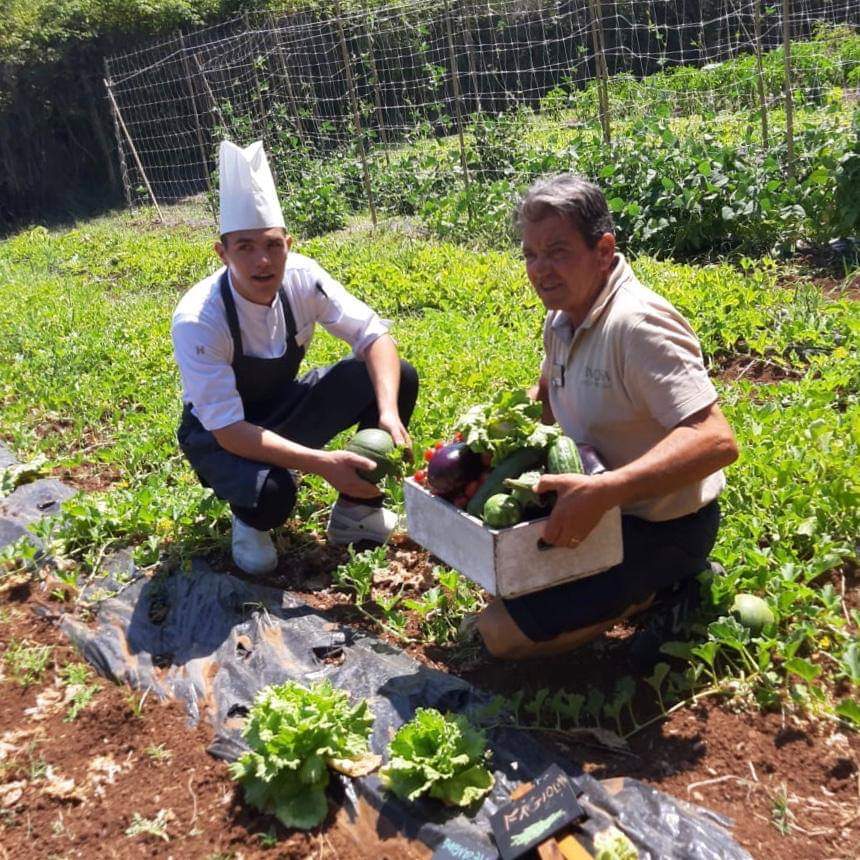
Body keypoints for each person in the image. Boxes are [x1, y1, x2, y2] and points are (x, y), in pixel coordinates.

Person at [475, 174, 738, 662]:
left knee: (499, 632)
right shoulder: (563, 317)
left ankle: (668, 590)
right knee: (497, 579)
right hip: (600, 515)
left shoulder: (638, 325)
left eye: (557, 251)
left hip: (664, 527)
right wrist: (490, 433)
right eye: (530, 255)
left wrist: (607, 490)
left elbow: (715, 440)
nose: (540, 270)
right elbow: (547, 394)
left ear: (603, 249)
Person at [171, 141, 418, 575]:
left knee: (399, 377)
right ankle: (250, 520)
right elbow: (229, 430)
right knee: (274, 495)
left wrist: (388, 414)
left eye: (271, 244)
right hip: (219, 436)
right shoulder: (199, 319)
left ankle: (355, 514)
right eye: (245, 246)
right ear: (221, 252)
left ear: (289, 242)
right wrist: (324, 465)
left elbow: (372, 335)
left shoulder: (304, 278)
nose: (262, 260)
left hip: (281, 407)